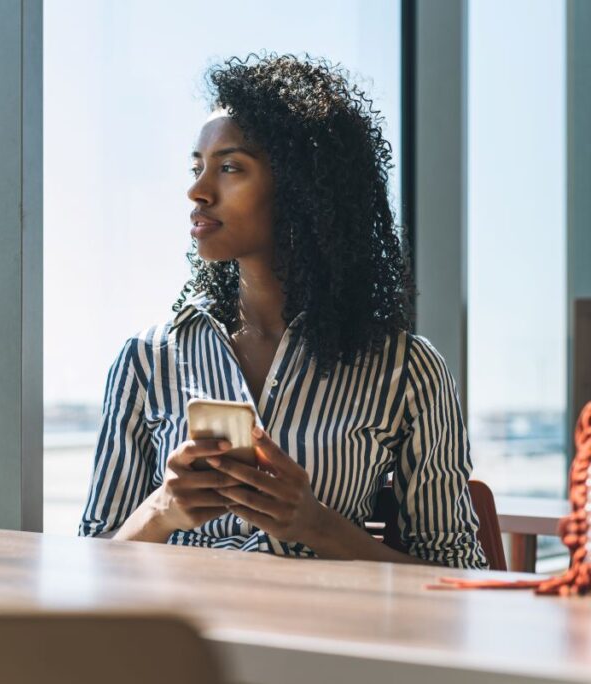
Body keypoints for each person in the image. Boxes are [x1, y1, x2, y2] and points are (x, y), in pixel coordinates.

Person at [77, 53, 487, 569]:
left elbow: (461, 580)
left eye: (229, 168)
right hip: (184, 646)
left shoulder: (407, 370)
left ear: (302, 188)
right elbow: (89, 567)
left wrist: (316, 526)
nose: (198, 190)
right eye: (197, 167)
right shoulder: (147, 359)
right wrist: (162, 509)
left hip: (320, 645)